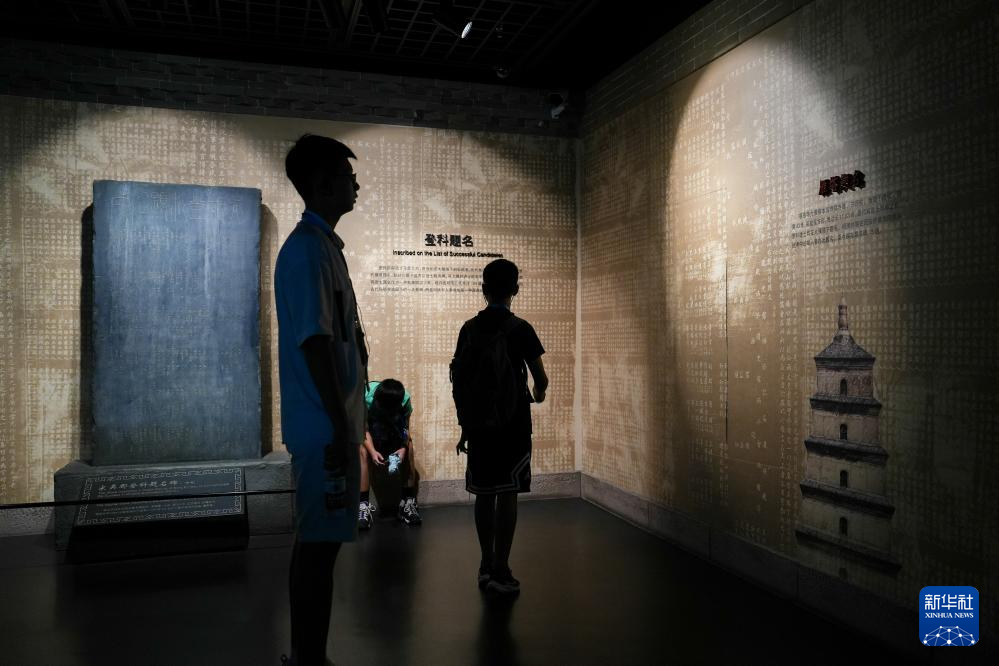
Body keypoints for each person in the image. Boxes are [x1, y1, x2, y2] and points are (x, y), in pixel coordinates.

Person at [274, 134, 366, 666]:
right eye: (347, 176)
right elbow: (316, 341)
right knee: (318, 549)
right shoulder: (309, 250)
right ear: (322, 183)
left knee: (316, 545)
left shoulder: (322, 246)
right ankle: (308, 659)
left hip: (327, 423)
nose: (356, 185)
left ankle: (306, 656)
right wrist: (340, 424)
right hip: (324, 427)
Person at [453, 259, 548, 595]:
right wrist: (537, 395)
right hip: (513, 424)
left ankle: (484, 565)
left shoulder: (468, 329)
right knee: (508, 493)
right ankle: (501, 569)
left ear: (483, 289)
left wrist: (465, 425)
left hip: (479, 425)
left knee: (483, 493)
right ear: (515, 290)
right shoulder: (521, 328)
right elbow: (540, 379)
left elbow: (460, 381)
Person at [358, 378, 422, 528]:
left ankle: (408, 502)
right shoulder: (364, 397)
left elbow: (405, 428)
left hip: (393, 430)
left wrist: (403, 448)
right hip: (372, 430)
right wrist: (373, 451)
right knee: (362, 450)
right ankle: (363, 506)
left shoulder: (405, 399)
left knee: (409, 446)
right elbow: (363, 429)